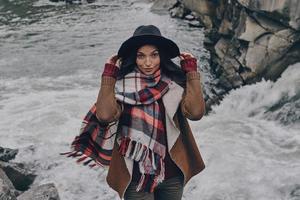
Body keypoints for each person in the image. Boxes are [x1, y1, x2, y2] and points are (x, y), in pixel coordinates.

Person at [66, 25, 206, 200]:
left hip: (171, 174)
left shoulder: (174, 84)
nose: (148, 63)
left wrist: (191, 72)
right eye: (141, 56)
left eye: (154, 55)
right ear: (134, 57)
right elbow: (105, 115)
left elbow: (195, 113)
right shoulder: (120, 86)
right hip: (135, 177)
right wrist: (109, 75)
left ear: (161, 56)